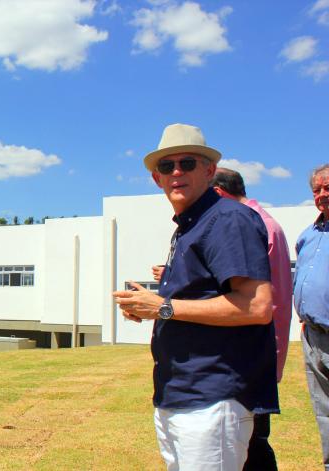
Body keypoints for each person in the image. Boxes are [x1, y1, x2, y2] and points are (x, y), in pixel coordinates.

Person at [113, 123, 278, 470]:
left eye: (187, 163)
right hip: (180, 393)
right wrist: (152, 307)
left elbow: (257, 305)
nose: (176, 172)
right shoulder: (191, 225)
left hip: (212, 397)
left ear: (209, 171)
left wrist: (164, 307)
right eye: (166, 166)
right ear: (157, 179)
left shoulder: (228, 220)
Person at [212, 168, 291, 471]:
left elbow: (255, 302)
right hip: (265, 347)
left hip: (252, 351)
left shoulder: (249, 225)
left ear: (218, 193)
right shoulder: (267, 223)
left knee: (250, 442)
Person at [295, 163, 329, 470]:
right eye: (316, 190)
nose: (322, 195)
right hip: (313, 335)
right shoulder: (307, 236)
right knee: (324, 411)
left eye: (327, 187)